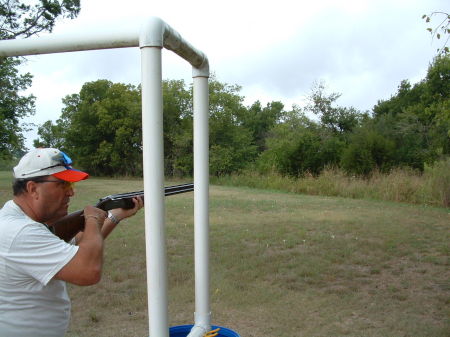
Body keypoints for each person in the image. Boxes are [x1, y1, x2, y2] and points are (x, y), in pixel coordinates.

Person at [0, 148, 143, 337]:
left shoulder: (22, 223)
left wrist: (114, 216)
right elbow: (87, 270)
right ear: (33, 188)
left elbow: (78, 248)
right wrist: (92, 219)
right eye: (63, 184)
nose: (71, 192)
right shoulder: (21, 232)